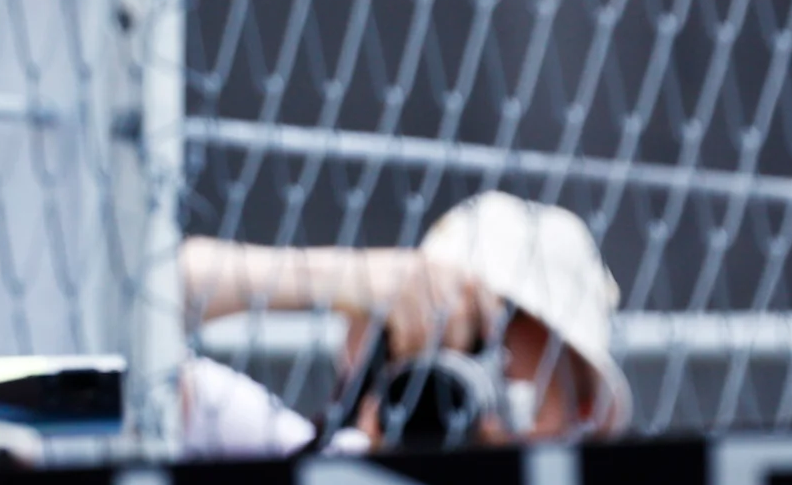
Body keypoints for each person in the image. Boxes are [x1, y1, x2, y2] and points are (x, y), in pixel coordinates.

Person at [181, 190, 629, 446]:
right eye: (439, 334)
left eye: (493, 350)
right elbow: (141, 318)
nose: (456, 370)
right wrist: (345, 278)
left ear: (582, 412)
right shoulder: (307, 462)